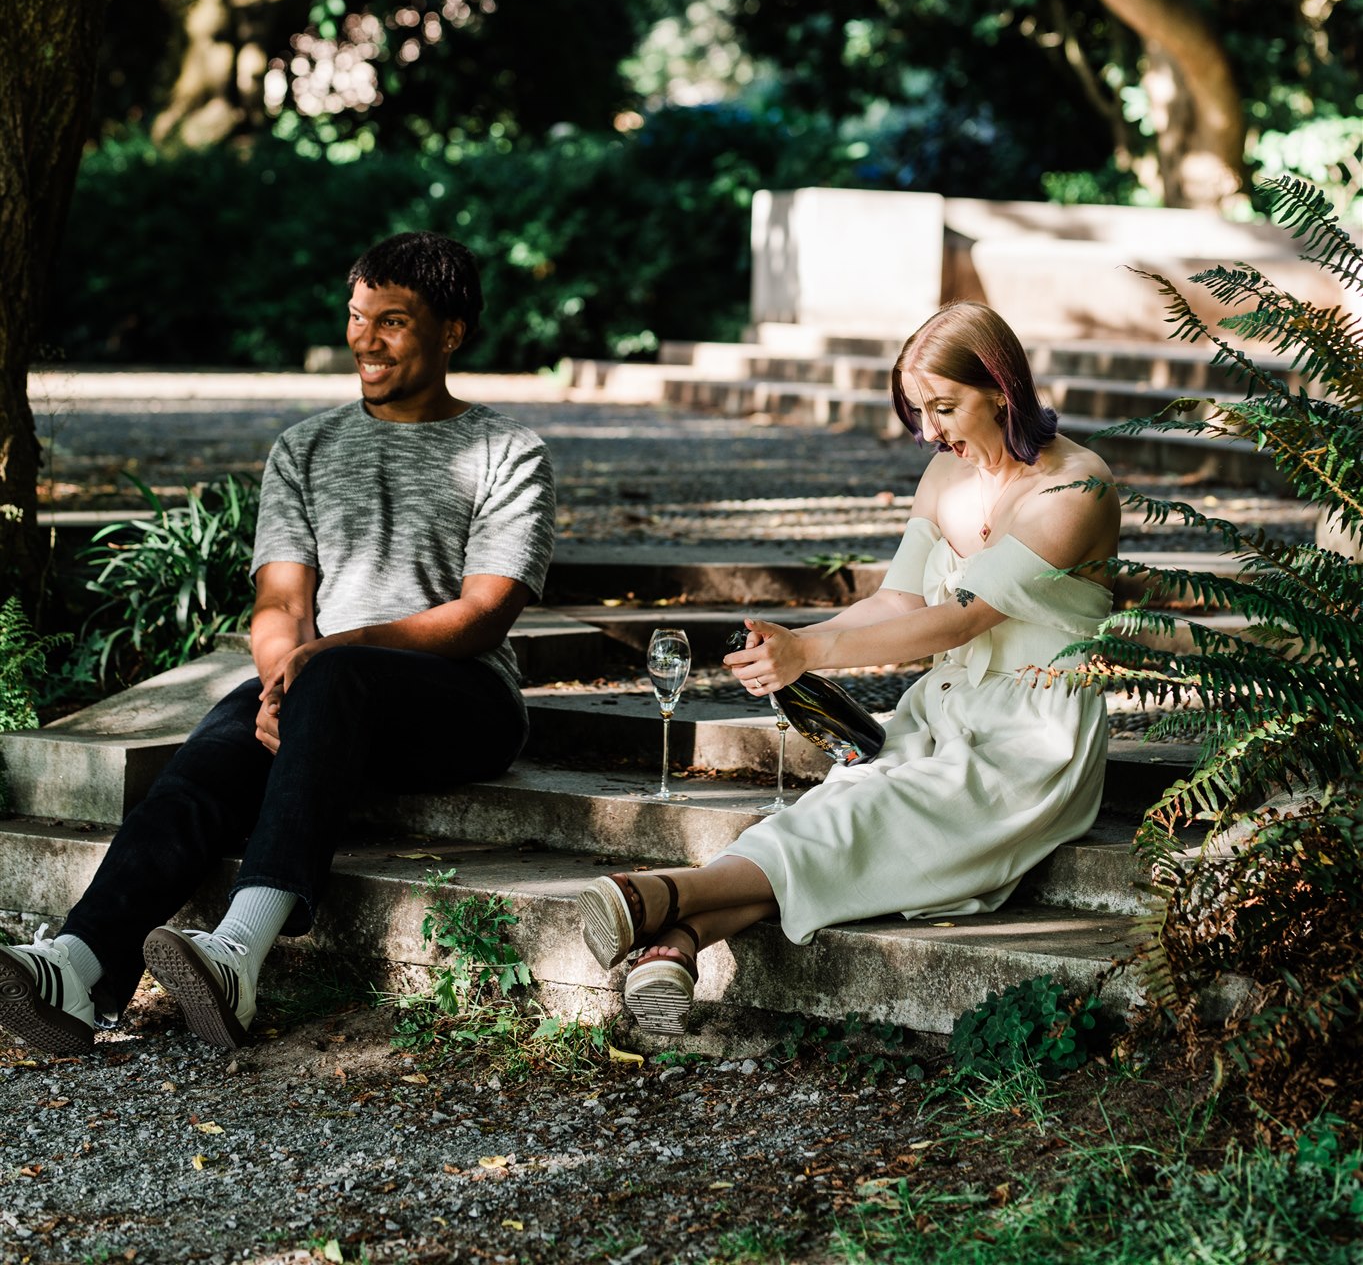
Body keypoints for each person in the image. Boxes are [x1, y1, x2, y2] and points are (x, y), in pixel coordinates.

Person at [0, 232, 554, 1057]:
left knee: (337, 673)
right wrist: (276, 685)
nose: (365, 339)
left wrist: (324, 659)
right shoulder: (305, 448)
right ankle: (78, 966)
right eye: (357, 317)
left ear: (452, 332)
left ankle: (238, 955)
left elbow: (482, 615)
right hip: (325, 694)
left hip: (463, 701)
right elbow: (280, 601)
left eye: (393, 322)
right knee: (212, 754)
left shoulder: (508, 452)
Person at [575, 300, 1118, 1035]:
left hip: (1033, 731)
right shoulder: (943, 476)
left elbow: (960, 618)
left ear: (1000, 388)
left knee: (869, 809)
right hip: (944, 709)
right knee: (841, 806)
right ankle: (678, 937)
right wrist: (793, 640)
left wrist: (812, 653)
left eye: (943, 407)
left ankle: (659, 895)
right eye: (917, 411)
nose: (929, 431)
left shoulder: (1074, 489)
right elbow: (897, 600)